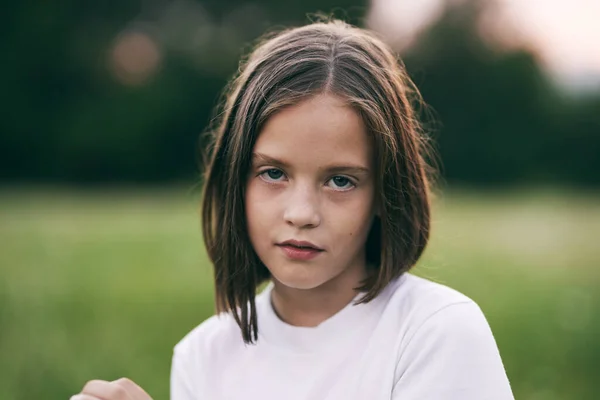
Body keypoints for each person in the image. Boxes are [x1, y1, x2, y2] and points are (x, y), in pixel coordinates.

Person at [71, 19, 514, 400]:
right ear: (234, 179)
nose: (301, 213)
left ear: (384, 194)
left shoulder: (435, 332)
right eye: (273, 173)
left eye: (341, 180)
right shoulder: (203, 356)